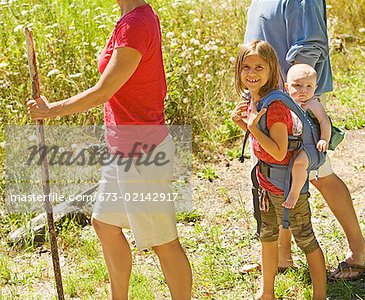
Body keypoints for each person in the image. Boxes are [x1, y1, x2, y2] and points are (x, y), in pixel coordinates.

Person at [27, 1, 192, 299]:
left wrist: (51, 111)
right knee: (104, 224)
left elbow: (104, 91)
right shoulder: (131, 17)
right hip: (122, 148)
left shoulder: (135, 25)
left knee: (164, 242)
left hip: (143, 153)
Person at [243, 0, 365, 280]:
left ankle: (359, 250)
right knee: (277, 178)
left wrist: (295, 105)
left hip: (293, 104)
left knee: (319, 174)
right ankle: (281, 256)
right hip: (267, 103)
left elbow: (310, 47)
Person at [232, 40, 326, 300]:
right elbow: (262, 141)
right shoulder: (256, 98)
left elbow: (278, 151)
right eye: (246, 67)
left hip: (285, 185)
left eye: (259, 67)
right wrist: (244, 124)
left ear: (271, 69)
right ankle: (267, 294)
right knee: (267, 236)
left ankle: (320, 295)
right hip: (265, 182)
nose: (252, 73)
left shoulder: (274, 107)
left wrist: (251, 128)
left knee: (305, 239)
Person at [284, 64, 331, 210]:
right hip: (293, 145)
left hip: (310, 147)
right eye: (297, 85)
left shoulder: (312, 104)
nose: (303, 91)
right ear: (287, 87)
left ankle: (294, 193)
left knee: (299, 163)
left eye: (308, 86)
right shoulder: (286, 102)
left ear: (315, 88)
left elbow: (324, 121)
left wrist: (324, 139)